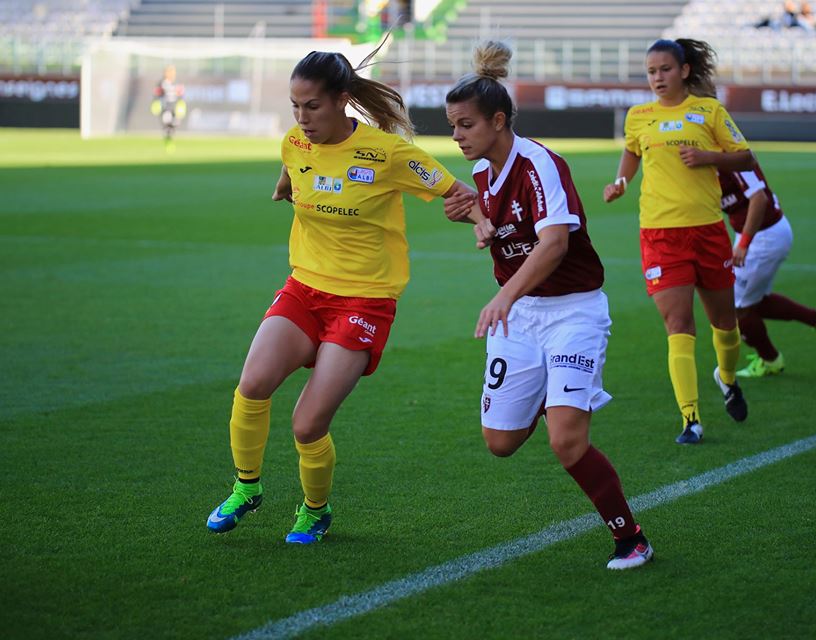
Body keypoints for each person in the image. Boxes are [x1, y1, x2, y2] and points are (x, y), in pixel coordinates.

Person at [205, 47, 476, 544]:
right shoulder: (294, 143)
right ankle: (247, 487)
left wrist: (480, 223)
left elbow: (458, 191)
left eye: (313, 106)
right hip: (305, 288)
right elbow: (292, 173)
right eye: (295, 106)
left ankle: (315, 510)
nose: (302, 118)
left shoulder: (387, 153)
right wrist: (283, 187)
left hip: (365, 299)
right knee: (252, 384)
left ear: (342, 101)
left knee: (307, 425)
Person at [443, 41, 653, 570]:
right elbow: (494, 220)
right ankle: (549, 392)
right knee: (500, 442)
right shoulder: (484, 174)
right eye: (452, 125)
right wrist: (474, 218)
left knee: (566, 441)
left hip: (572, 312)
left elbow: (555, 242)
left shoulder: (540, 163)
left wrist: (503, 295)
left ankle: (631, 538)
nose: (456, 136)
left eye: (465, 125)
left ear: (497, 120)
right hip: (521, 318)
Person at [603, 38, 753, 445]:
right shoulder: (639, 116)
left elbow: (745, 157)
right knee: (678, 325)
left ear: (684, 70)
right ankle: (691, 419)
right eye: (651, 71)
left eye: (665, 69)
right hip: (659, 233)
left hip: (707, 230)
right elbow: (632, 152)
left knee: (725, 324)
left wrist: (709, 158)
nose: (657, 78)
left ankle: (726, 377)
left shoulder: (709, 111)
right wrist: (621, 181)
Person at [717, 162, 816, 378]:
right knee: (754, 301)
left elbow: (759, 198)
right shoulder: (706, 156)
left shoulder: (729, 154)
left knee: (735, 308)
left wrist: (744, 243)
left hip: (762, 236)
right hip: (755, 233)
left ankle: (770, 359)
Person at [151, 65, 186, 151]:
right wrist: (156, 104)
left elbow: (180, 94)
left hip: (174, 107)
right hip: (166, 107)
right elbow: (157, 94)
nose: (171, 74)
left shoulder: (177, 83)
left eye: (172, 72)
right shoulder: (162, 83)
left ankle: (170, 137)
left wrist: (181, 103)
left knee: (175, 123)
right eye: (169, 72)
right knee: (166, 123)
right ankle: (168, 141)